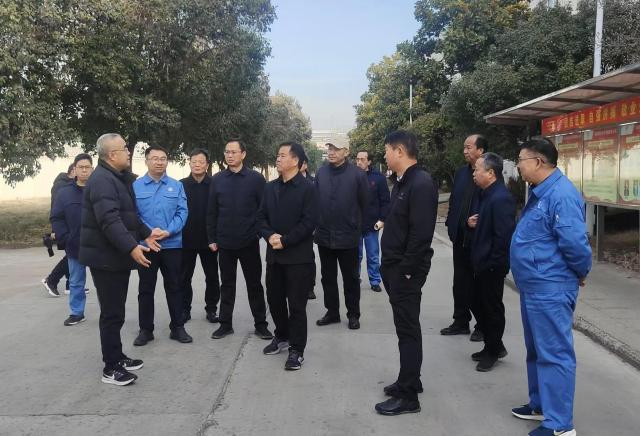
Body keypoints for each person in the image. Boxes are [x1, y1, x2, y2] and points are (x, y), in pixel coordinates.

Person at [510, 138, 590, 436]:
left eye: (521, 160)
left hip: (551, 288)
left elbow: (575, 244)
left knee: (554, 353)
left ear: (538, 162)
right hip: (534, 286)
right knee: (537, 350)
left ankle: (560, 425)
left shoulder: (561, 194)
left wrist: (580, 272)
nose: (518, 166)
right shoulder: (541, 191)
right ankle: (541, 405)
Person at [80, 133, 162, 386]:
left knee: (117, 310)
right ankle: (110, 368)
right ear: (111, 155)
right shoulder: (102, 181)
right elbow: (110, 220)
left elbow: (129, 215)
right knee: (111, 313)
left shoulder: (117, 177)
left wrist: (146, 234)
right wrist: (132, 247)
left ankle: (118, 356)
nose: (129, 152)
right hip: (105, 258)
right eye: (125, 148)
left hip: (114, 256)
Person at [374, 130, 438, 416]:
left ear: (399, 151)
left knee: (408, 330)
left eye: (387, 150)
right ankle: (409, 379)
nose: (384, 155)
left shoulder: (421, 183)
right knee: (405, 328)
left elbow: (421, 234)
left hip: (405, 271)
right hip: (394, 267)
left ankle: (409, 396)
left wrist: (407, 272)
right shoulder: (401, 183)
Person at [257, 142, 318, 370]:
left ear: (296, 161)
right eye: (278, 155)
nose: (278, 158)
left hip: (298, 259)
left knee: (297, 306)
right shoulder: (270, 187)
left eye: (283, 155)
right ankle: (281, 336)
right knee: (274, 300)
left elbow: (309, 223)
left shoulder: (308, 189)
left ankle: (297, 350)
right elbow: (260, 217)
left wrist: (285, 240)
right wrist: (269, 235)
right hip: (274, 257)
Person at [206, 139, 272, 340]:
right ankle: (225, 324)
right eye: (227, 152)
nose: (230, 155)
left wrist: (259, 233)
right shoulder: (217, 179)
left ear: (243, 154)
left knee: (254, 285)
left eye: (234, 152)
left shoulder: (256, 179)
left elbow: (263, 210)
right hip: (225, 242)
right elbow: (212, 211)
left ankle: (261, 324)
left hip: (249, 242)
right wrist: (212, 237)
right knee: (227, 285)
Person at [132, 145, 192, 346]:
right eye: (155, 158)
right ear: (146, 161)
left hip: (172, 245)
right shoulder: (136, 186)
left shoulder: (176, 186)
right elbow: (133, 215)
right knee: (146, 289)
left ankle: (178, 327)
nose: (159, 162)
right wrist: (148, 233)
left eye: (163, 158)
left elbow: (182, 212)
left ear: (167, 161)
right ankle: (145, 330)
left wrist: (168, 231)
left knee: (175, 286)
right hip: (146, 246)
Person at [467, 153, 515, 372]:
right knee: (476, 302)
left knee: (492, 309)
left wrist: (493, 263)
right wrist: (472, 224)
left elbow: (503, 237)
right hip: (482, 262)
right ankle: (492, 345)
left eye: (478, 169)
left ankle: (494, 350)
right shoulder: (486, 194)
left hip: (492, 265)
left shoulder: (501, 198)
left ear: (490, 173)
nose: (474, 172)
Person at [314, 141, 368, 330]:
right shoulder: (321, 173)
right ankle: (332, 312)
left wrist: (356, 226)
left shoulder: (358, 175)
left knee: (351, 279)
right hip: (324, 236)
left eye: (336, 149)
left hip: (348, 237)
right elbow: (315, 200)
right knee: (327, 277)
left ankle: (353, 314)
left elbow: (365, 204)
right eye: (330, 148)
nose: (332, 152)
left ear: (346, 151)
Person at [441, 134, 487, 342]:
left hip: (477, 240)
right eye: (464, 147)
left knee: (479, 286)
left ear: (481, 150)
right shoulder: (461, 173)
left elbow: (491, 205)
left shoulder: (488, 174)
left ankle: (483, 325)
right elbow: (454, 201)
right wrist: (451, 225)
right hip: (460, 238)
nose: (465, 151)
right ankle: (460, 321)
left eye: (469, 147)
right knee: (459, 283)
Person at [50, 154, 94, 325]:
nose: (84, 170)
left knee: (104, 283)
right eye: (80, 167)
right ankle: (77, 312)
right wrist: (65, 237)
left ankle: (109, 313)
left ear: (92, 169)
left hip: (98, 245)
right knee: (76, 281)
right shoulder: (64, 193)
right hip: (75, 245)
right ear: (74, 169)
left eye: (87, 167)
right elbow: (56, 217)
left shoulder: (99, 190)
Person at [180, 148, 220, 323]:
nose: (197, 165)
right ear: (189, 163)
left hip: (209, 241)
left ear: (207, 165)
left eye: (201, 162)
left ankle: (211, 309)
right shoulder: (180, 185)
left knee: (212, 277)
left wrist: (216, 237)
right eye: (194, 161)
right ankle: (184, 310)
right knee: (184, 277)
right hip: (186, 239)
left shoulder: (215, 185)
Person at [355, 150, 390, 293]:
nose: (359, 162)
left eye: (362, 159)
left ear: (369, 161)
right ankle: (355, 278)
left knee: (373, 255)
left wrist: (382, 219)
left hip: (371, 225)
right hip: (354, 225)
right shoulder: (351, 176)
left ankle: (375, 280)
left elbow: (385, 201)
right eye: (357, 159)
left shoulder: (378, 179)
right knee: (355, 255)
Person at [41, 163, 75, 296]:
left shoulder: (71, 184)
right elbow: (58, 209)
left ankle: (70, 285)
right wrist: (57, 229)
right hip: (64, 226)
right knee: (72, 255)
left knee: (73, 254)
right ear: (73, 170)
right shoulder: (61, 186)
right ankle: (51, 280)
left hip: (71, 225)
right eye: (81, 168)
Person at [299, 155, 317, 300]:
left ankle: (310, 287)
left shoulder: (313, 182)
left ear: (305, 165)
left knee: (309, 258)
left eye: (302, 163)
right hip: (291, 228)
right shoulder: (286, 181)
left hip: (308, 229)